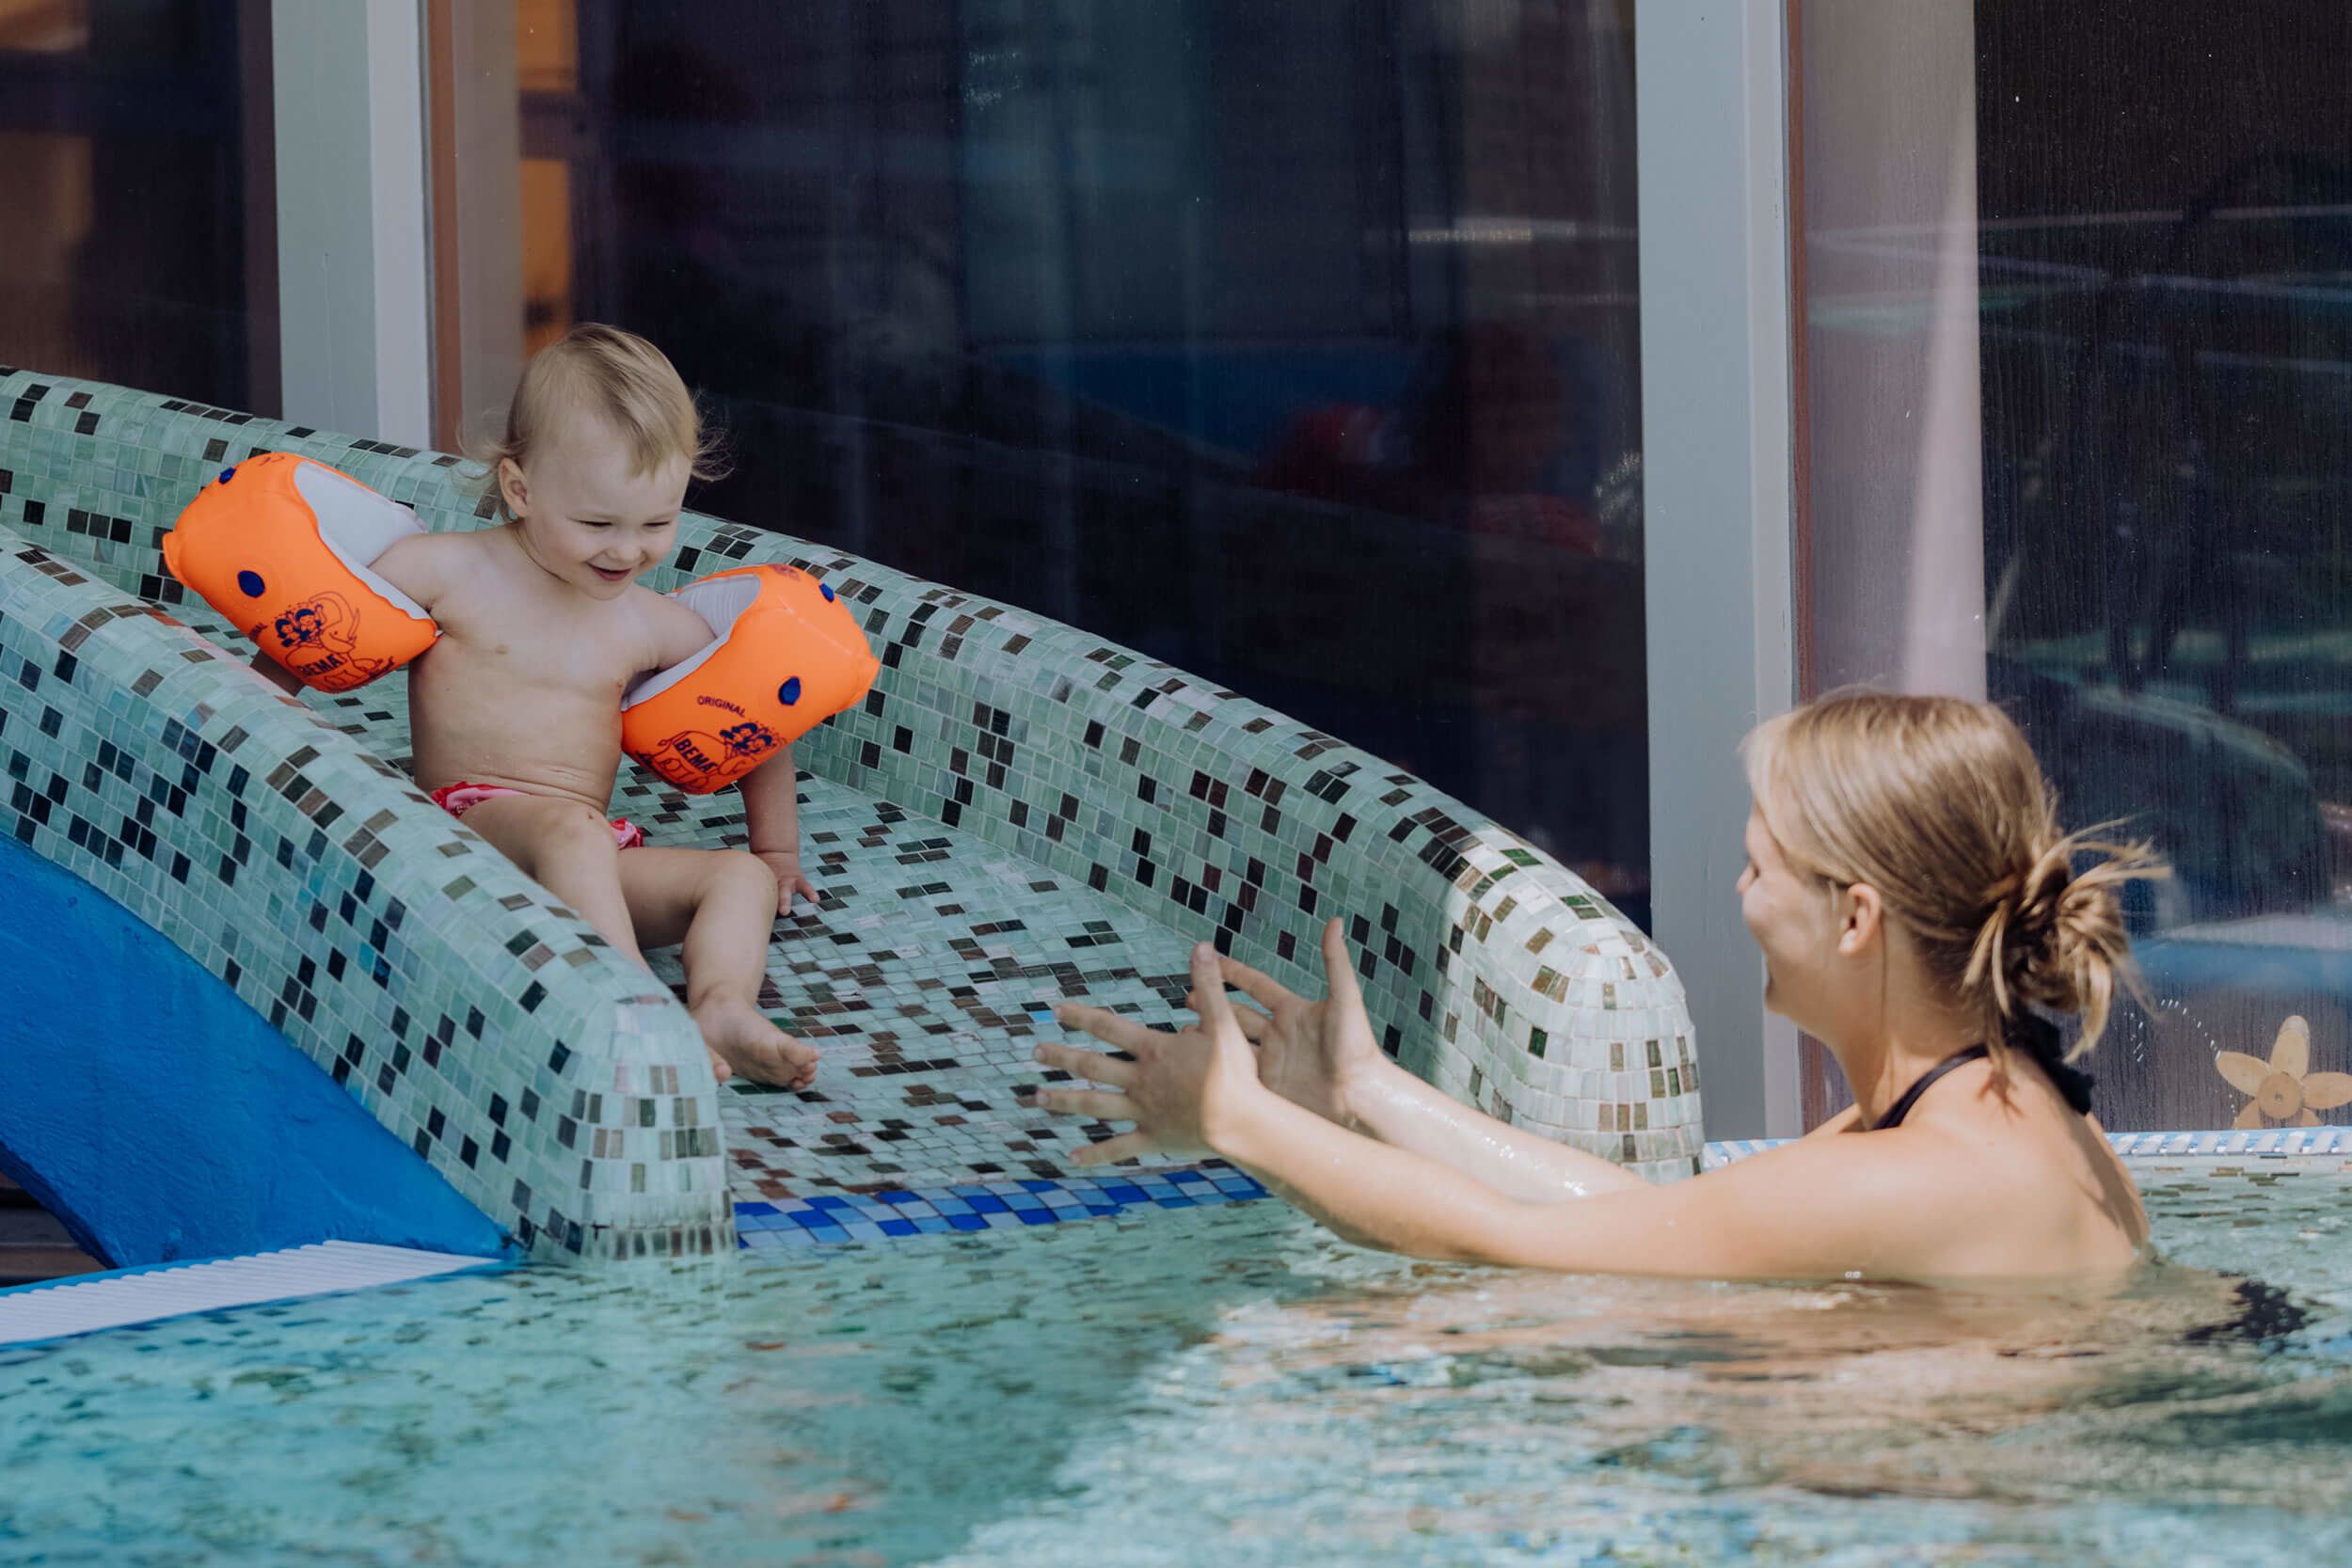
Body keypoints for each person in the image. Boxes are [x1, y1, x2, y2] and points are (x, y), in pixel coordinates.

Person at [1033, 691, 2165, 1279]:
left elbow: (1513, 1253)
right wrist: (1371, 1094)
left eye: (1760, 865)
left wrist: (1235, 1119)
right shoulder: (1988, 1104)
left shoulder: (1925, 1172)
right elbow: (1647, 1225)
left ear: (1855, 917)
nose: (1738, 891)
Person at [258, 325, 818, 1089]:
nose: (627, 551)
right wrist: (254, 705)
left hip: (589, 856)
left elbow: (757, 709)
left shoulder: (645, 622)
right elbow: (322, 619)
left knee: (736, 879)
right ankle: (636, 1012)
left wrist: (775, 850)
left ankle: (718, 1005)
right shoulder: (451, 571)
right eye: (598, 524)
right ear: (521, 489)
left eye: (657, 524)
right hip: (468, 834)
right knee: (569, 829)